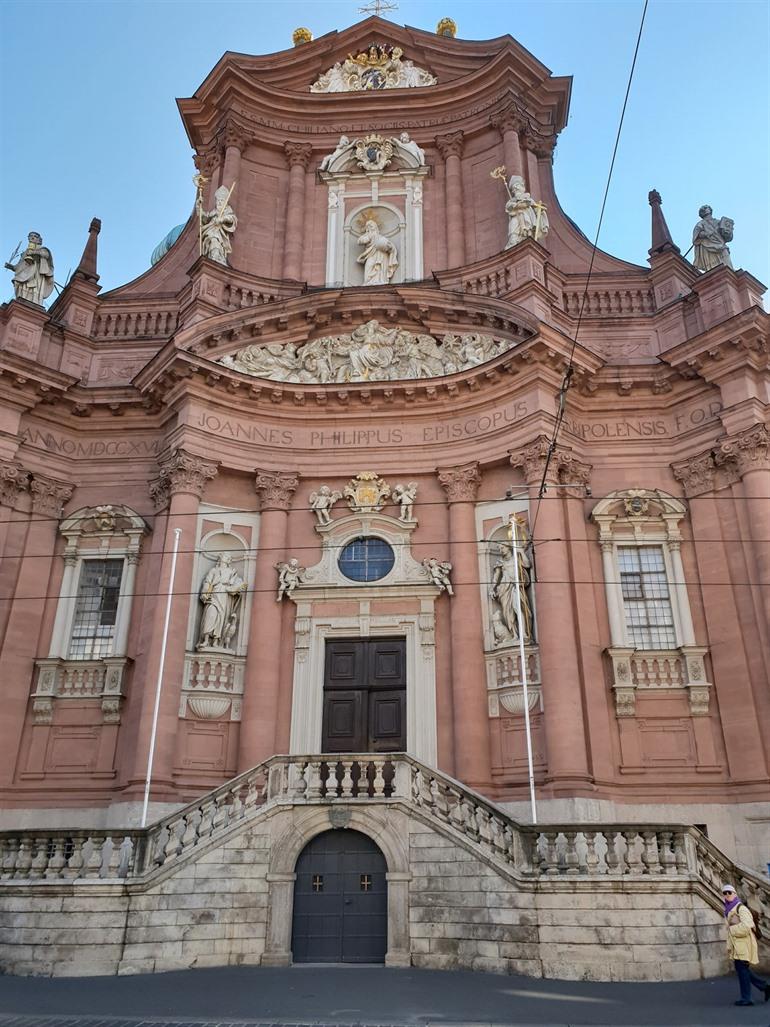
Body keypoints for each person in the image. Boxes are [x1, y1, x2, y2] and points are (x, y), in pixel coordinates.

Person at [722, 884, 768, 1006]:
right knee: (742, 969)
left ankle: (747, 998)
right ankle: (764, 986)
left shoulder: (740, 908)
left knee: (742, 971)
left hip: (744, 944)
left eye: (729, 892)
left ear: (735, 894)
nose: (727, 895)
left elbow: (747, 926)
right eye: (725, 893)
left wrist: (732, 929)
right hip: (737, 945)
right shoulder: (728, 909)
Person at [197, 554, 247, 650]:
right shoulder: (214, 570)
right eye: (225, 556)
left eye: (228, 557)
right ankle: (206, 640)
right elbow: (207, 582)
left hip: (225, 596)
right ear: (220, 558)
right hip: (213, 595)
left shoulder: (232, 572)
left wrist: (238, 588)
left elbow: (237, 584)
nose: (227, 558)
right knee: (210, 615)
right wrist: (204, 593)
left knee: (221, 618)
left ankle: (216, 642)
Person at [489, 542, 533, 642]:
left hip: (515, 586)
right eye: (499, 549)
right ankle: (515, 635)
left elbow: (527, 564)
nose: (501, 550)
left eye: (502, 547)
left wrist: (521, 552)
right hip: (504, 589)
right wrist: (492, 588)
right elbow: (496, 578)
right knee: (508, 613)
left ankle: (524, 633)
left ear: (508, 547)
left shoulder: (516, 558)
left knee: (518, 608)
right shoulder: (500, 562)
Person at [5, 232, 54, 305]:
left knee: (33, 288)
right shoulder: (26, 252)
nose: (32, 237)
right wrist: (12, 267)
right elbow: (20, 265)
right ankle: (22, 299)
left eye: (35, 236)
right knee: (18, 283)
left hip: (35, 273)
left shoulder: (42, 249)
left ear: (39, 240)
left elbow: (45, 255)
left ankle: (33, 301)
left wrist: (34, 252)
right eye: (30, 236)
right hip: (24, 273)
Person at [198, 184, 237, 264]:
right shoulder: (214, 211)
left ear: (225, 202)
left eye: (221, 200)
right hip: (210, 229)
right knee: (212, 239)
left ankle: (217, 257)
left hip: (219, 231)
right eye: (218, 200)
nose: (219, 202)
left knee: (215, 240)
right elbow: (205, 218)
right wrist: (199, 206)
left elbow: (231, 218)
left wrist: (222, 219)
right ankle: (214, 256)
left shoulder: (227, 209)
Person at [356, 219, 399, 285]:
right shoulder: (367, 236)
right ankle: (368, 282)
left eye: (372, 226)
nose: (371, 227)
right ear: (367, 228)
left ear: (376, 227)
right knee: (369, 266)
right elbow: (359, 241)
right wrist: (368, 236)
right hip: (371, 255)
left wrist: (390, 247)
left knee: (381, 268)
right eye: (368, 226)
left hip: (381, 255)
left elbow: (389, 246)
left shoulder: (381, 237)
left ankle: (381, 280)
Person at [692, 205, 733, 272]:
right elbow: (697, 235)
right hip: (707, 245)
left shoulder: (719, 222)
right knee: (712, 267)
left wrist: (727, 233)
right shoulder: (700, 224)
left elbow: (728, 236)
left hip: (721, 245)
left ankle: (729, 271)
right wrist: (705, 234)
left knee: (727, 262)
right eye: (702, 209)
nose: (704, 209)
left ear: (710, 210)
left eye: (705, 208)